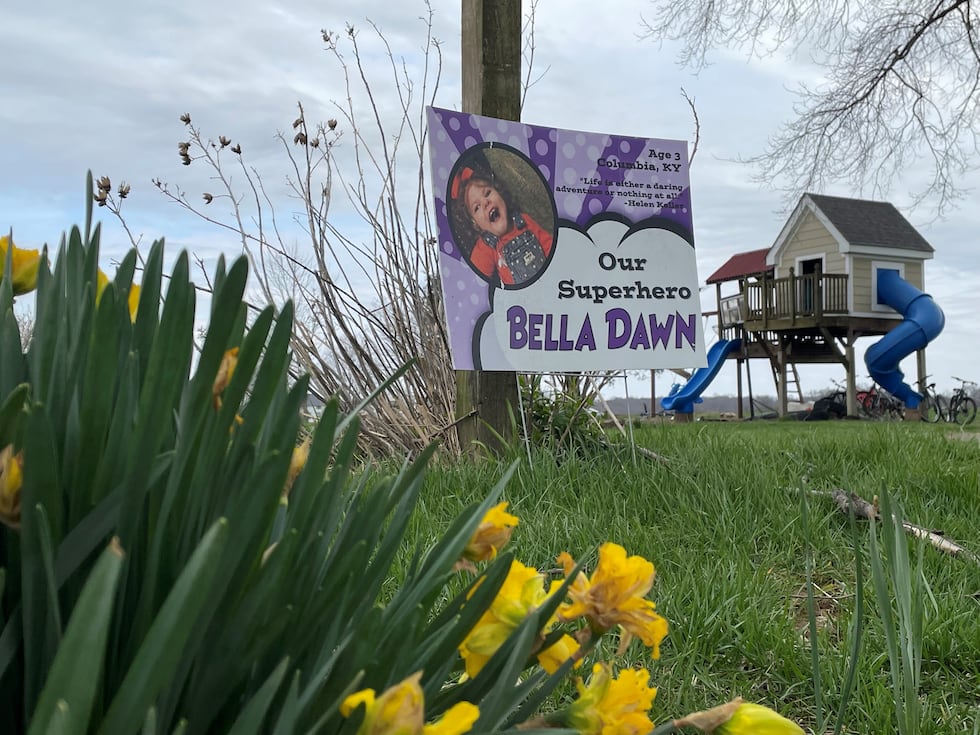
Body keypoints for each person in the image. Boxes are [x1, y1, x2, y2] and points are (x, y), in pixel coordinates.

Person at [450, 166, 553, 286]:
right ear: (476, 224)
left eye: (487, 193)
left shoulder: (524, 221)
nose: (485, 202)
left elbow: (550, 247)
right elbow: (475, 283)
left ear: (500, 193)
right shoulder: (486, 247)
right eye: (476, 207)